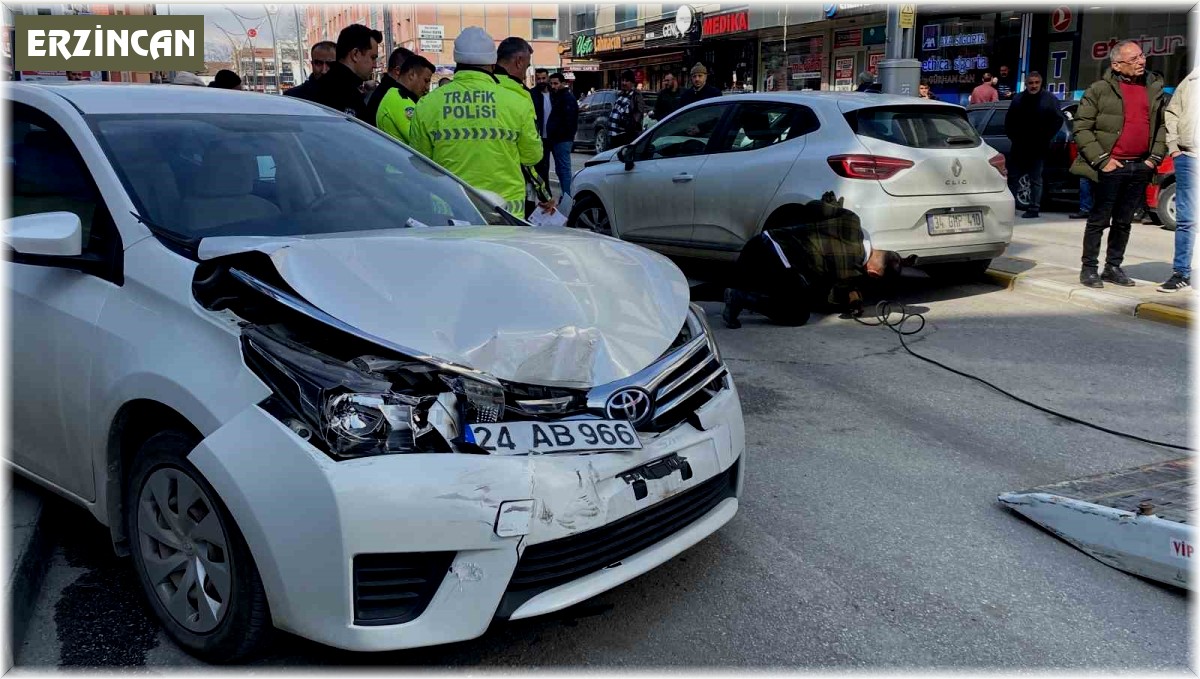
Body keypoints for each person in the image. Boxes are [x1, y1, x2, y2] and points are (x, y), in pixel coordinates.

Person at [721, 192, 914, 328]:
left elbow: (811, 207)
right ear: (873, 273)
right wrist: (852, 302)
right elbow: (826, 297)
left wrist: (831, 207)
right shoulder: (851, 272)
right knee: (797, 315)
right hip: (772, 261)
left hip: (759, 243)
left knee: (787, 284)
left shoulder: (852, 221)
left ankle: (746, 292)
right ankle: (742, 298)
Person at [409, 27, 543, 216]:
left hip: (450, 212)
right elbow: (532, 156)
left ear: (457, 60)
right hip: (506, 214)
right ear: (492, 63)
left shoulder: (427, 104)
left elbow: (420, 164)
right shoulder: (517, 102)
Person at [1070, 39, 1168, 289]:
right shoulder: (1099, 90)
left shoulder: (1153, 88)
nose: (1141, 61)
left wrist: (1153, 159)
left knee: (1124, 222)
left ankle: (1113, 267)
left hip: (1139, 166)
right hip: (1110, 167)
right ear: (1116, 64)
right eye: (1134, 59)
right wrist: (1102, 160)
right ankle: (1089, 268)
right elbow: (1081, 128)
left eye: (1142, 56)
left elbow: (1162, 127)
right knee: (1099, 219)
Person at [494, 36, 554, 213]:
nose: (525, 73)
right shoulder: (519, 95)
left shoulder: (479, 87)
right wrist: (544, 194)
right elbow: (531, 156)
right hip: (509, 197)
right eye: (527, 67)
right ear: (519, 61)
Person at [1158, 66, 1198, 292]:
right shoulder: (1192, 80)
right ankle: (1180, 273)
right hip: (1188, 158)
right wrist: (1174, 148)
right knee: (1186, 219)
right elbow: (1172, 112)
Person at [1004, 71, 1065, 218]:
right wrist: (1014, 137)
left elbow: (1058, 119)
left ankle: (1034, 208)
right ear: (1026, 84)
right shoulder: (1018, 99)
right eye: (1031, 83)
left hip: (1038, 147)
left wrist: (1046, 137)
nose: (1033, 86)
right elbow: (1009, 120)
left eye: (1036, 83)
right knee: (1013, 178)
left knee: (1035, 179)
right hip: (1019, 146)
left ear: (1041, 83)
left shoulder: (1049, 99)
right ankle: (1009, 209)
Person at [297, 24, 381, 120]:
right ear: (355, 54)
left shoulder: (344, 88)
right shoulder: (339, 93)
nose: (375, 65)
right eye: (373, 57)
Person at [376, 54, 434, 146]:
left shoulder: (396, 95)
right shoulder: (399, 99)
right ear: (411, 75)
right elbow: (420, 140)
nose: (427, 87)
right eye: (426, 81)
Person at [546, 72, 579, 199]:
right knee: (560, 169)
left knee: (564, 170)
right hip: (557, 139)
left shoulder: (566, 98)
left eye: (556, 83)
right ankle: (565, 195)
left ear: (563, 83)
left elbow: (569, 120)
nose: (553, 86)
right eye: (551, 83)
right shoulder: (558, 96)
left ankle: (567, 197)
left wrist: (562, 134)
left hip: (562, 139)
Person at [366, 47, 415, 127]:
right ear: (398, 71)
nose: (413, 78)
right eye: (412, 74)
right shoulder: (393, 94)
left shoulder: (384, 89)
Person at [608, 70, 646, 150]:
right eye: (623, 80)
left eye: (626, 81)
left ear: (632, 82)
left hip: (625, 136)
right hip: (614, 135)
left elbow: (639, 113)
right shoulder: (621, 95)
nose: (624, 83)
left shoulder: (636, 95)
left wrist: (629, 127)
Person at [530, 67, 554, 191]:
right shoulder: (531, 94)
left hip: (555, 137)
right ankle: (546, 195)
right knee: (543, 168)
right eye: (538, 79)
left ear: (547, 78)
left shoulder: (554, 93)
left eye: (543, 78)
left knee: (562, 168)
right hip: (540, 137)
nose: (541, 81)